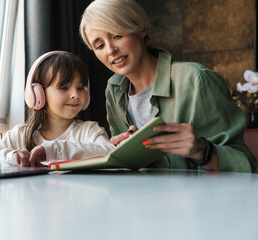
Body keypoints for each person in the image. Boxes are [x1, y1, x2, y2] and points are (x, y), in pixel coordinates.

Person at [79, 0, 257, 172]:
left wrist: (201, 150)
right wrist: (118, 153)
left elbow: (245, 163)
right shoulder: (114, 90)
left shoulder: (196, 80)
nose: (110, 50)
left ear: (141, 29)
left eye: (117, 35)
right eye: (100, 45)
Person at [0, 51, 114, 167]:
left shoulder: (89, 130)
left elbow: (109, 152)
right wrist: (12, 156)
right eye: (64, 87)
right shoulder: (20, 134)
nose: (75, 94)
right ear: (38, 93)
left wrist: (53, 150)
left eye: (80, 87)